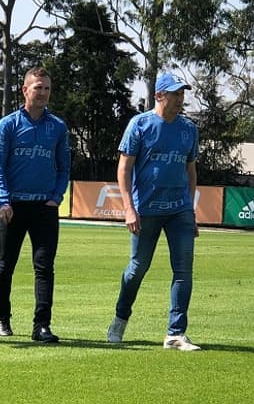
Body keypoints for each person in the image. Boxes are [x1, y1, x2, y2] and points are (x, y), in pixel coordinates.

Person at [106, 72, 201, 351]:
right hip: (146, 209)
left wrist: (192, 209)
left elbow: (191, 170)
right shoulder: (140, 124)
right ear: (160, 95)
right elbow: (124, 168)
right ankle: (120, 319)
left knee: (184, 271)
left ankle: (175, 334)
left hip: (180, 210)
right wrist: (129, 209)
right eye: (175, 94)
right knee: (137, 268)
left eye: (182, 94)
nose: (180, 99)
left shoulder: (189, 129)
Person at [0, 67, 71, 343]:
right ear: (25, 90)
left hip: (44, 209)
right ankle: (2, 318)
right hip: (12, 206)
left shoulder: (58, 127)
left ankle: (42, 326)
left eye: (47, 88)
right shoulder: (8, 125)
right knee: (6, 264)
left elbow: (64, 168)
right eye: (38, 87)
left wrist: (55, 198)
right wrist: (3, 200)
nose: (43, 93)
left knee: (44, 267)